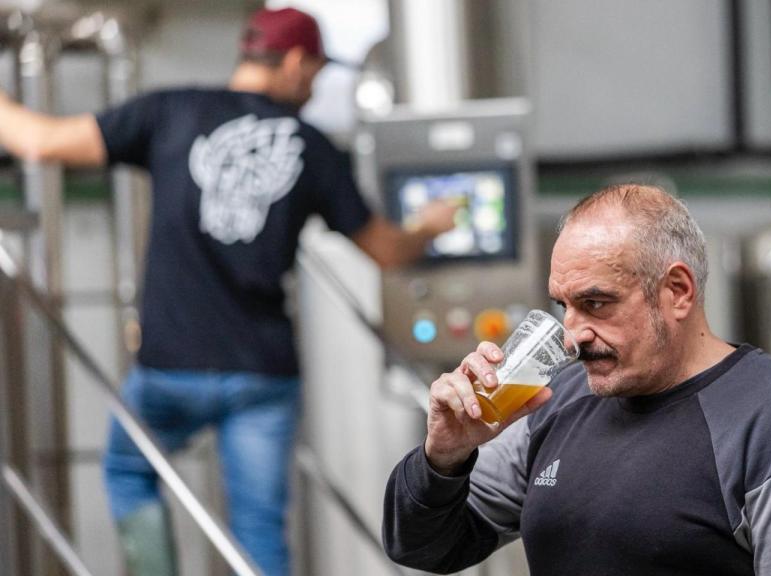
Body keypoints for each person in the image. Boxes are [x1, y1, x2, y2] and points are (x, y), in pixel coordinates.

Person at [0, 7, 456, 576]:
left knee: (127, 469)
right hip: (262, 375)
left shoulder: (168, 110)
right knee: (259, 527)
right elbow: (385, 249)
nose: (312, 88)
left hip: (172, 366)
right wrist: (431, 227)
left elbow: (41, 140)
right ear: (294, 61)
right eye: (314, 73)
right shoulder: (313, 147)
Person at [382, 184, 771, 575]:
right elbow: (423, 549)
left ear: (677, 292)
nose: (571, 334)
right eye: (562, 306)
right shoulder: (553, 404)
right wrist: (443, 459)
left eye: (596, 303)